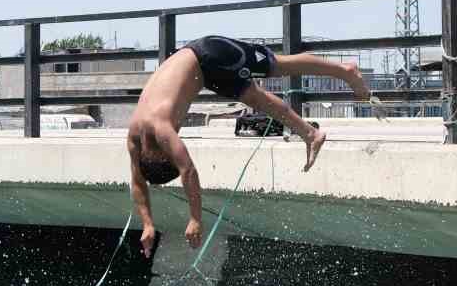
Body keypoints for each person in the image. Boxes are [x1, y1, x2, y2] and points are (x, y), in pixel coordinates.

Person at [127, 36, 371, 258]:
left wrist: (195, 219)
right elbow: (137, 180)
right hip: (204, 71)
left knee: (278, 67)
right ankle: (310, 133)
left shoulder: (160, 128)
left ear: (159, 155)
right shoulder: (135, 137)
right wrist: (148, 224)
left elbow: (187, 170)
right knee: (256, 99)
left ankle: (345, 70)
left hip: (210, 54)